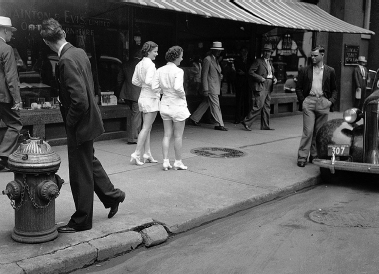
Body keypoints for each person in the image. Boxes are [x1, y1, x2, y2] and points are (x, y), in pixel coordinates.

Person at [40, 18, 125, 232]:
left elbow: (79, 100)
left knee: (80, 173)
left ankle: (82, 220)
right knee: (89, 163)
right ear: (63, 34)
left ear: (46, 42)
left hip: (79, 123)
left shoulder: (66, 60)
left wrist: (69, 122)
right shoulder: (78, 52)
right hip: (89, 120)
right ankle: (113, 196)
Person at [295, 45, 338, 167]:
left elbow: (334, 89)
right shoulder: (305, 70)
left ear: (322, 55)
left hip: (323, 102)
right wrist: (303, 101)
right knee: (308, 131)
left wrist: (330, 102)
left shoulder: (330, 71)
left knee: (318, 132)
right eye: (312, 55)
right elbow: (298, 88)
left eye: (315, 55)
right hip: (309, 101)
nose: (312, 57)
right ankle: (302, 157)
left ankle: (314, 155)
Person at [152, 46, 190, 171]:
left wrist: (165, 92)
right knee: (178, 136)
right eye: (181, 56)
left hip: (165, 104)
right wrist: (183, 96)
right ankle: (178, 162)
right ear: (176, 57)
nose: (182, 58)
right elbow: (178, 88)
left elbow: (154, 87)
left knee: (167, 135)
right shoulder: (179, 71)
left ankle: (165, 161)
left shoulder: (160, 70)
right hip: (177, 105)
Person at [131, 41, 159, 165]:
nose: (156, 54)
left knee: (147, 127)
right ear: (149, 52)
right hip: (150, 98)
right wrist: (159, 87)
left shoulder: (140, 64)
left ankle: (147, 153)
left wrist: (144, 85)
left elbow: (134, 81)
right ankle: (137, 153)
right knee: (146, 128)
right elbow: (149, 81)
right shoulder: (151, 65)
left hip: (142, 97)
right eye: (155, 51)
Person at [189, 41, 228, 131]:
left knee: (206, 103)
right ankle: (220, 123)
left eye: (219, 50)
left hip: (214, 86)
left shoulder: (214, 60)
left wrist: (220, 76)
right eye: (217, 50)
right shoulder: (208, 59)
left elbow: (214, 73)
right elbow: (204, 75)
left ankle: (194, 118)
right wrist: (205, 89)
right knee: (215, 105)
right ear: (213, 50)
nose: (218, 52)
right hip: (211, 87)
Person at [0, 16, 22, 172]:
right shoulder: (6, 49)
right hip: (3, 96)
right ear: (5, 30)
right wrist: (17, 99)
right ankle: (3, 156)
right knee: (15, 124)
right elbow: (11, 76)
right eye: (11, 32)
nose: (12, 35)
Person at [241, 44, 277, 131]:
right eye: (265, 51)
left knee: (266, 106)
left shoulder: (270, 62)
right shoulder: (258, 61)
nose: (266, 53)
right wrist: (260, 78)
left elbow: (271, 74)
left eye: (268, 52)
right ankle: (246, 122)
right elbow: (250, 72)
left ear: (270, 53)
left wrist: (274, 78)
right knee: (259, 105)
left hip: (269, 85)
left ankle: (265, 125)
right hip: (261, 85)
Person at [117, 49, 143, 144]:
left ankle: (137, 134)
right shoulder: (141, 65)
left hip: (127, 93)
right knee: (136, 115)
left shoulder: (126, 64)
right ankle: (133, 138)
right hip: (137, 93)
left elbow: (119, 79)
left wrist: (121, 90)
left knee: (133, 115)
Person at [234, 47, 252, 124]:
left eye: (245, 51)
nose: (244, 53)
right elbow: (238, 70)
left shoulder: (250, 61)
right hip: (240, 83)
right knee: (239, 101)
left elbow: (251, 71)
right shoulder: (237, 60)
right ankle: (238, 118)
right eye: (242, 51)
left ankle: (246, 117)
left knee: (247, 101)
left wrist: (245, 73)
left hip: (247, 83)